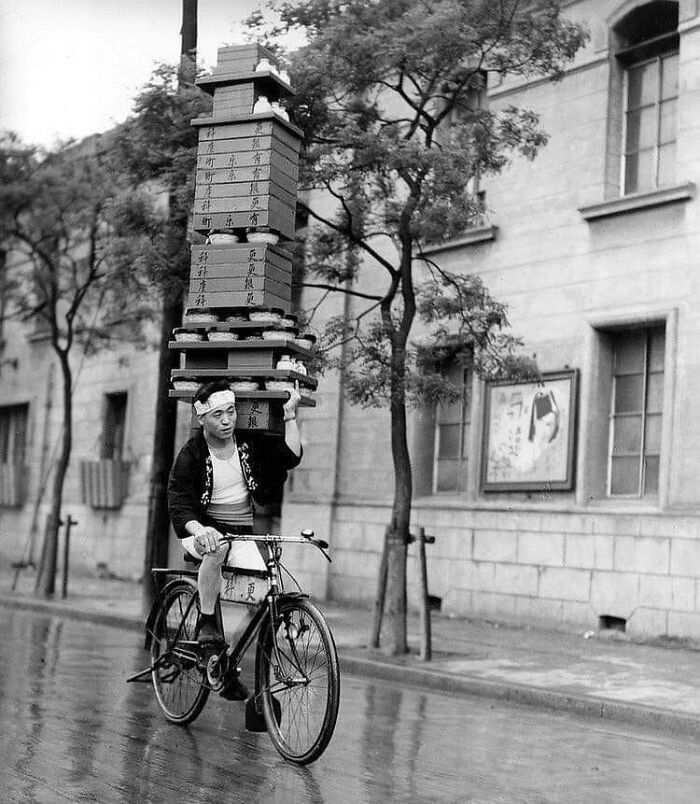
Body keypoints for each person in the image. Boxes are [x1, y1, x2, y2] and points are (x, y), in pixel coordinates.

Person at [167, 379, 302, 699]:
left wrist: (290, 416)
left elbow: (289, 457)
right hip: (200, 531)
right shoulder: (192, 453)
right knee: (217, 547)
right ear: (202, 419)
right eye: (217, 415)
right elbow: (178, 500)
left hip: (239, 534)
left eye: (230, 412)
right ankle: (209, 628)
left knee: (266, 594)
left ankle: (224, 662)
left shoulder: (247, 445)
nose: (226, 420)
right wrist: (200, 529)